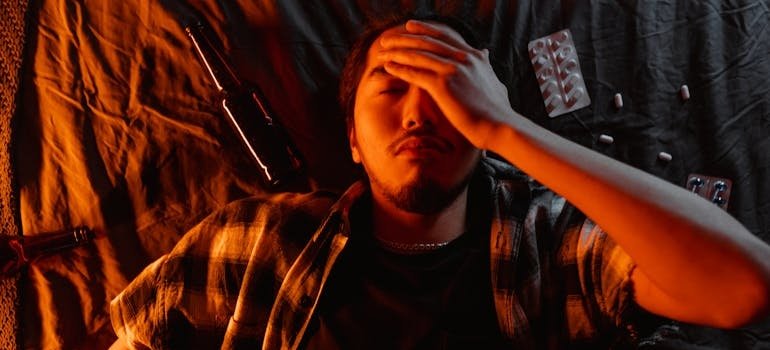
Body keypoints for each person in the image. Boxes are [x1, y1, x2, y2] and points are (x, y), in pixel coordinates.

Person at [109, 13, 770, 349]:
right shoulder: (257, 239)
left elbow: (744, 287)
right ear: (352, 141)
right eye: (391, 86)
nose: (420, 112)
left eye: (451, 92)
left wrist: (506, 128)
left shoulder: (552, 243)